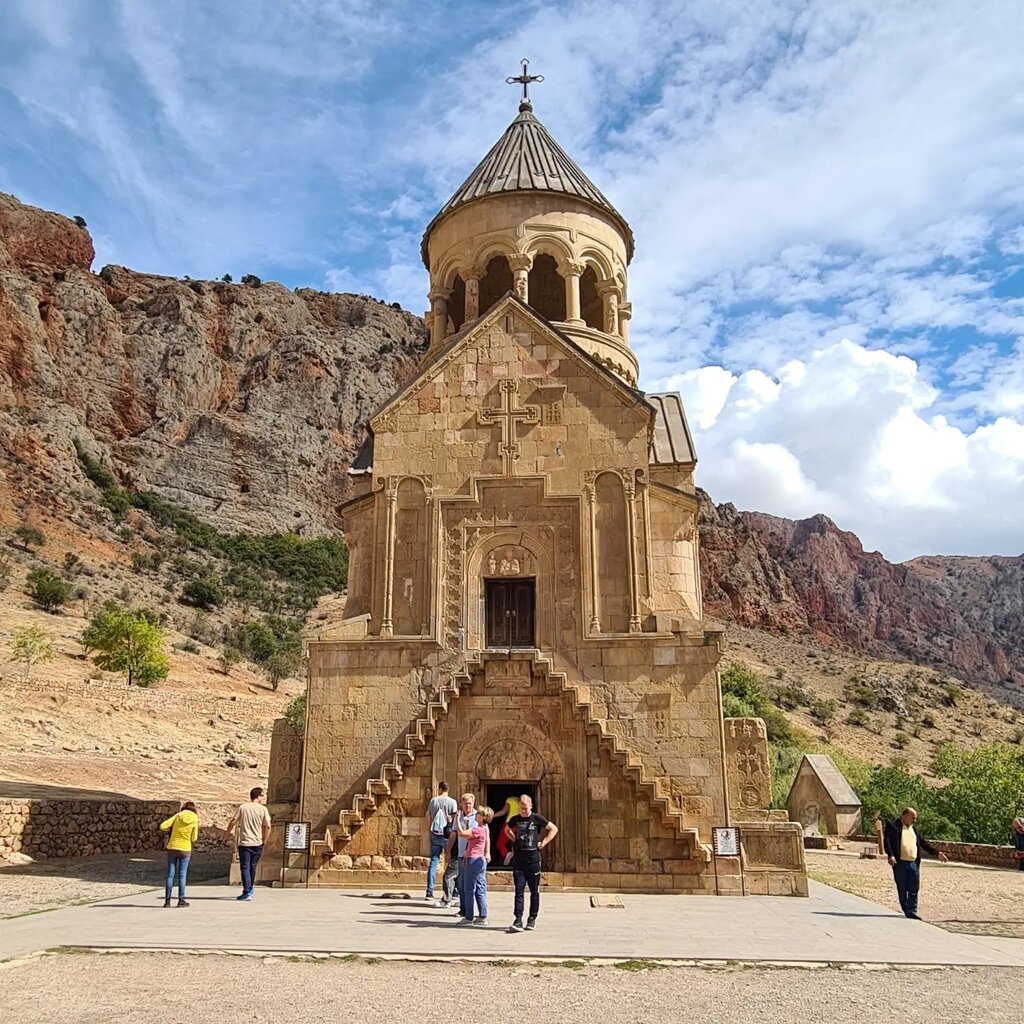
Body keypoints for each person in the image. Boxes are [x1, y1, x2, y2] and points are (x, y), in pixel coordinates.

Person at [883, 807, 948, 919]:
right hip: (900, 862)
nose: (914, 820)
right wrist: (890, 855)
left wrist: (937, 853)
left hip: (913, 863)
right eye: (913, 818)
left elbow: (923, 843)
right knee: (902, 887)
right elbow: (887, 840)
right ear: (905, 815)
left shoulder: (914, 829)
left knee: (914, 887)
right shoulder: (893, 826)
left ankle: (912, 910)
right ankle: (906, 909)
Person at [505, 793, 557, 932]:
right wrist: (514, 839)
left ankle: (532, 918)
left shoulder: (537, 818)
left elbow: (553, 828)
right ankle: (518, 919)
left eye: (525, 808)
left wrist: (544, 842)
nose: (523, 810)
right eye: (521, 808)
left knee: (534, 891)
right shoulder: (515, 819)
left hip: (533, 859)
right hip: (519, 860)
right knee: (519, 890)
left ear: (531, 806)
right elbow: (507, 829)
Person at [226, 786, 272, 902]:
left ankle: (247, 891)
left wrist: (227, 834)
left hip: (245, 842)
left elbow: (233, 821)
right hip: (257, 842)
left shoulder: (243, 808)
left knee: (245, 867)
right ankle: (249, 889)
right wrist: (265, 840)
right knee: (252, 867)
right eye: (262, 795)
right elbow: (268, 826)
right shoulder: (263, 809)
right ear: (258, 796)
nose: (263, 797)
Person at [457, 804, 494, 926]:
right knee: (480, 888)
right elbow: (471, 839)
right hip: (480, 860)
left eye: (478, 813)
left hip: (473, 860)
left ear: (482, 817)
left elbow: (461, 833)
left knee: (469, 888)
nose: (476, 814)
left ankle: (468, 917)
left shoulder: (477, 830)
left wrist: (457, 819)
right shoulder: (484, 829)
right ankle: (483, 916)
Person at [159, 800, 199, 908]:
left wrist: (172, 829)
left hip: (172, 847)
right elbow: (194, 838)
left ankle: (167, 901)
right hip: (185, 848)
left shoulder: (178, 815)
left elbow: (162, 826)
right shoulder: (195, 818)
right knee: (182, 875)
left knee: (170, 875)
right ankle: (181, 900)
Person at [424, 781, 457, 901]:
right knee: (453, 861)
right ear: (448, 789)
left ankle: (429, 891)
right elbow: (454, 818)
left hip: (435, 833)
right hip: (448, 834)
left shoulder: (433, 801)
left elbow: (430, 817)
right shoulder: (452, 802)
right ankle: (453, 892)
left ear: (439, 789)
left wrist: (429, 832)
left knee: (434, 861)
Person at [453, 793, 477, 919]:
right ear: (461, 804)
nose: (468, 806)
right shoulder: (458, 816)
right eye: (465, 803)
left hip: (474, 855)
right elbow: (454, 833)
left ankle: (474, 911)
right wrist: (447, 851)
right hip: (461, 854)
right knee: (461, 883)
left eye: (470, 803)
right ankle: (463, 908)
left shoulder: (478, 817)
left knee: (474, 885)